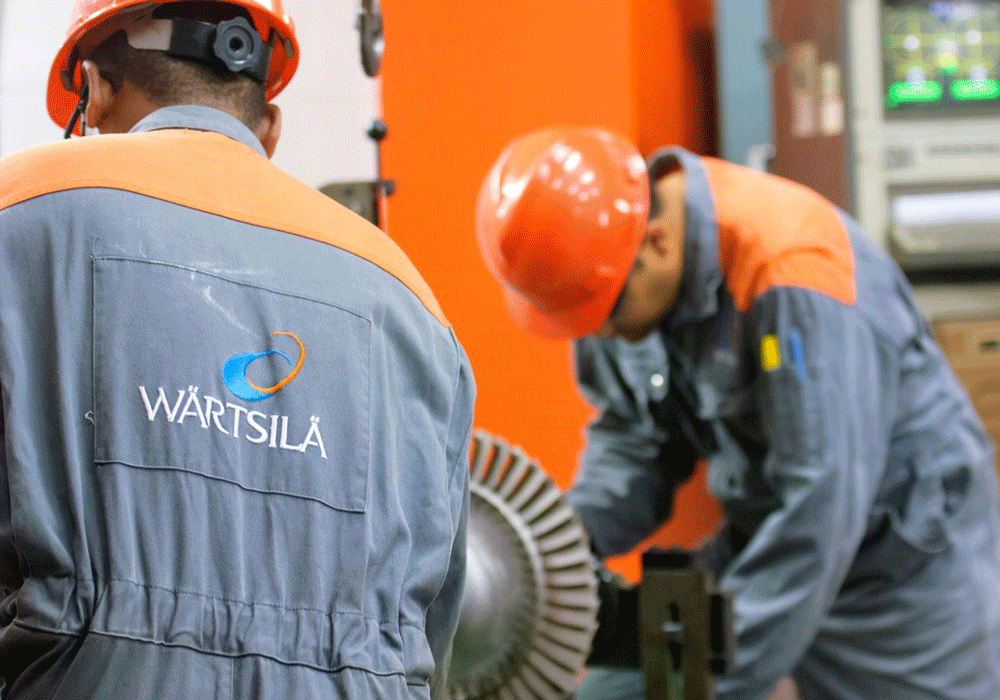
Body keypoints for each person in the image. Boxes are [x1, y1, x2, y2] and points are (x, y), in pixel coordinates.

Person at [0, 2, 474, 698]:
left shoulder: (20, 215)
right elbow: (430, 624)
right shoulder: (412, 304)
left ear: (93, 89)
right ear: (269, 124)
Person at [475, 127, 1000, 700]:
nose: (600, 334)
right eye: (581, 319)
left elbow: (820, 507)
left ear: (657, 244)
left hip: (901, 569)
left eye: (606, 313)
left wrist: (715, 678)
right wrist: (563, 548)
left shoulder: (793, 277)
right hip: (769, 538)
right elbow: (636, 442)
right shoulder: (606, 268)